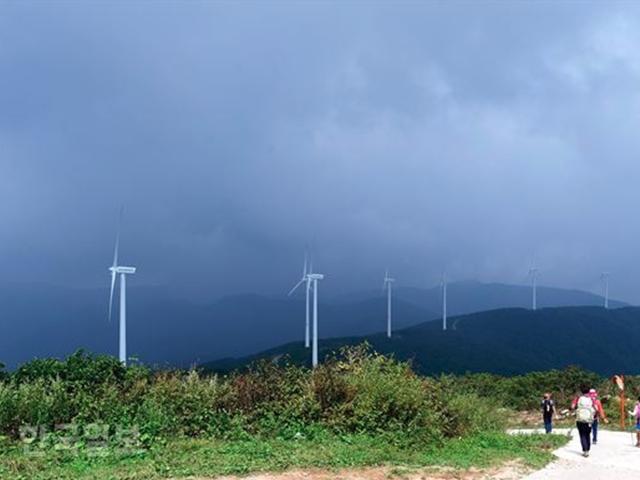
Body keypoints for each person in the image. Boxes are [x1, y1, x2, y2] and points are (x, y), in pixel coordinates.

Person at [572, 385, 596, 457]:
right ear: (589, 391)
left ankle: (585, 450)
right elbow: (596, 408)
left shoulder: (578, 398)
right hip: (589, 420)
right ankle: (588, 449)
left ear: (581, 391)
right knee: (588, 434)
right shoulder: (591, 399)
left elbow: (572, 406)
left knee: (582, 434)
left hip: (580, 419)